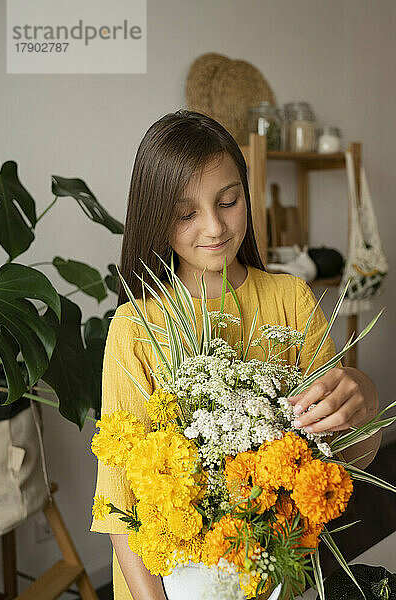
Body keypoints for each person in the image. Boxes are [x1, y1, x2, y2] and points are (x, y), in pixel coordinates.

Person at [90, 110, 381, 600]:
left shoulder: (291, 300)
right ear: (154, 216)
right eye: (186, 213)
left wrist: (365, 399)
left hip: (274, 577)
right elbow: (119, 502)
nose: (214, 226)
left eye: (229, 200)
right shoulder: (137, 328)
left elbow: (340, 465)